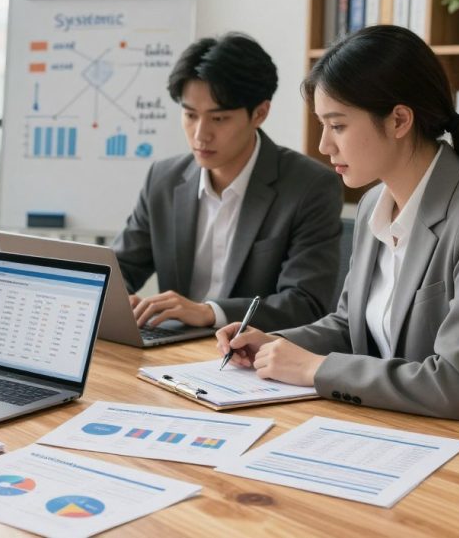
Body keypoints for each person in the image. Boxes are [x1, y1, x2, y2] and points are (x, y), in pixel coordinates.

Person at [216, 25, 459, 424]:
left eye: (337, 125)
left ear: (399, 120)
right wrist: (275, 344)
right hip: (393, 425)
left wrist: (313, 369)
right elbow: (350, 325)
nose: (323, 145)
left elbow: (457, 384)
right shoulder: (372, 205)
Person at [113, 33, 343, 332]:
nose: (200, 135)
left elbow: (305, 303)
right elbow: (119, 268)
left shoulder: (309, 186)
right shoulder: (164, 179)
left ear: (260, 113)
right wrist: (120, 300)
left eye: (218, 119)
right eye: (190, 115)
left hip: (252, 359)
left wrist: (210, 312)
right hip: (167, 352)